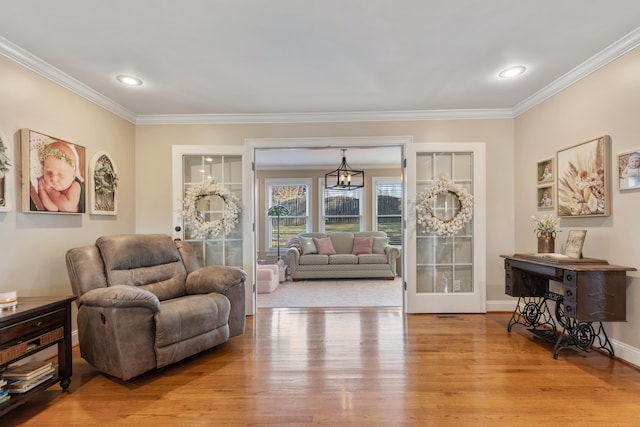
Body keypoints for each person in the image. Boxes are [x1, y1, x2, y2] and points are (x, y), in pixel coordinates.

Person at [37, 141, 83, 212]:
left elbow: (67, 207)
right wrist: (41, 190)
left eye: (61, 175)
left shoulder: (75, 186)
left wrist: (50, 191)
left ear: (73, 176)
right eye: (49, 172)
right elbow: (53, 208)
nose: (54, 179)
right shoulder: (48, 185)